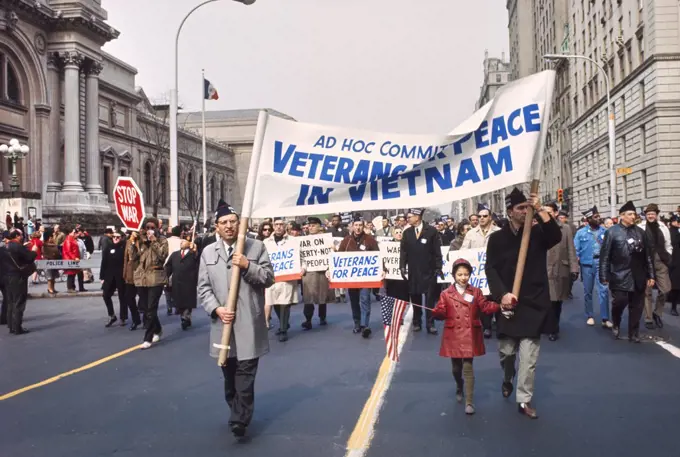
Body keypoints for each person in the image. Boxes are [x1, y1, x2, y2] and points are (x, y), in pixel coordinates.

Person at [197, 201, 274, 438]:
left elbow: (269, 278)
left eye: (233, 221)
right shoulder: (209, 252)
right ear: (216, 227)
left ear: (239, 224)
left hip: (249, 322)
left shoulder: (256, 247)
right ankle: (236, 408)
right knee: (229, 377)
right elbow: (203, 288)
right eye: (224, 223)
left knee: (245, 372)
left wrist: (248, 265)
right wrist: (216, 309)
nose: (229, 226)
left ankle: (239, 419)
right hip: (223, 325)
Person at [485, 188, 562, 419]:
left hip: (533, 303)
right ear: (510, 211)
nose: (524, 211)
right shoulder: (497, 239)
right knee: (507, 353)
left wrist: (539, 208)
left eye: (527, 208)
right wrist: (502, 295)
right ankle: (508, 377)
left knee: (529, 359)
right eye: (520, 208)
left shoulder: (538, 233)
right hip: (509, 303)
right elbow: (491, 269)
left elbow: (556, 236)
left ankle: (524, 399)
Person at [432, 258, 503, 415]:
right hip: (454, 334)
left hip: (470, 333)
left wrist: (500, 306)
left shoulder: (476, 291)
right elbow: (441, 311)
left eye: (466, 274)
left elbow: (485, 307)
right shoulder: (446, 294)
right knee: (456, 368)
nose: (463, 277)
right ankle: (459, 385)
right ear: (454, 275)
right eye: (460, 274)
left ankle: (469, 401)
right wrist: (437, 312)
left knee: (468, 368)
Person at [599, 201, 655, 342]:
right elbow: (605, 256)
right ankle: (616, 322)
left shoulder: (640, 232)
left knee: (637, 305)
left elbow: (647, 255)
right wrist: (603, 275)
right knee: (620, 301)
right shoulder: (612, 232)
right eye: (629, 214)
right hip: (619, 274)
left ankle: (633, 332)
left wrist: (651, 275)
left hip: (638, 275)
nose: (632, 216)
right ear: (622, 216)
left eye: (634, 214)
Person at [399, 208, 443, 334]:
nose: (408, 219)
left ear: (418, 217)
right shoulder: (407, 233)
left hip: (429, 271)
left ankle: (430, 323)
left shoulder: (431, 231)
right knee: (415, 297)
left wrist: (438, 267)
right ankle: (417, 322)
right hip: (413, 271)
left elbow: (437, 251)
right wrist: (402, 266)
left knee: (429, 299)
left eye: (410, 216)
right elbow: (403, 252)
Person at [460, 203, 500, 338]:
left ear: (490, 217)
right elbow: (463, 251)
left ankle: (499, 324)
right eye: (479, 216)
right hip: (479, 273)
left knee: (496, 297)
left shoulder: (498, 232)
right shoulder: (471, 233)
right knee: (482, 298)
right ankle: (487, 326)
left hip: (495, 271)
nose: (481, 218)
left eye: (485, 216)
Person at [338, 216, 380, 337]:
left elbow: (377, 255)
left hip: (366, 278)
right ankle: (357, 323)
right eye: (356, 225)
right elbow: (338, 258)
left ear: (363, 226)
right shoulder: (346, 241)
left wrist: (382, 269)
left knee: (365, 299)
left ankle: (365, 325)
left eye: (360, 225)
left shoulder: (370, 240)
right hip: (351, 279)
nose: (358, 227)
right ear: (352, 226)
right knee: (354, 301)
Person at [543, 202, 579, 341]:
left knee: (557, 301)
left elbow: (571, 249)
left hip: (559, 269)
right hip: (543, 269)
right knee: (546, 300)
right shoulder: (538, 227)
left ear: (556, 213)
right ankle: (548, 325)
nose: (546, 215)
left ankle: (554, 327)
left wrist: (574, 268)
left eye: (549, 212)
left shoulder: (565, 229)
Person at [574, 206, 612, 328]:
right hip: (587, 265)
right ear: (589, 219)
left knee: (604, 290)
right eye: (595, 217)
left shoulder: (604, 231)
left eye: (598, 216)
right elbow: (576, 250)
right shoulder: (581, 233)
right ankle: (590, 315)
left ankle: (605, 318)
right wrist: (576, 263)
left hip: (601, 264)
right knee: (588, 291)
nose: (598, 218)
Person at [134, 217, 169, 349]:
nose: (150, 230)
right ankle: (158, 328)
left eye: (152, 228)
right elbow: (133, 257)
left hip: (156, 278)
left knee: (151, 308)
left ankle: (147, 338)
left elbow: (163, 255)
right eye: (147, 228)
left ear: (156, 228)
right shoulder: (141, 241)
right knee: (144, 307)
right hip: (142, 278)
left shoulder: (162, 240)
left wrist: (154, 242)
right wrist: (132, 242)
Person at [264, 218, 299, 342]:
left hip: (287, 277)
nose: (279, 227)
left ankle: (283, 329)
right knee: (275, 302)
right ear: (273, 226)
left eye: (281, 225)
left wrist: (303, 268)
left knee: (285, 303)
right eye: (276, 225)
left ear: (285, 226)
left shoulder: (294, 241)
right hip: (272, 278)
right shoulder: (266, 242)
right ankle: (284, 323)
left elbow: (302, 257)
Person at [638, 203, 672, 329]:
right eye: (648, 214)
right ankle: (648, 318)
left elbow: (668, 244)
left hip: (661, 262)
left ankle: (657, 312)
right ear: (645, 215)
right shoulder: (640, 227)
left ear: (656, 215)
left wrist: (668, 255)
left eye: (653, 214)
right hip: (646, 263)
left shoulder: (663, 227)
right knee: (647, 292)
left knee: (666, 289)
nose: (650, 216)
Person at [1, 230, 37, 334]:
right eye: (21, 235)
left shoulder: (5, 247)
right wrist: (34, 251)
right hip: (18, 276)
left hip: (7, 276)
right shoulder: (18, 247)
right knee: (19, 302)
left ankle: (11, 326)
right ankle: (17, 327)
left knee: (10, 301)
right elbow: (29, 258)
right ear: (17, 236)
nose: (22, 236)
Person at [301, 217, 331, 329]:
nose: (311, 227)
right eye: (309, 225)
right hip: (309, 271)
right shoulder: (303, 240)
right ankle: (308, 319)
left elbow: (330, 254)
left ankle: (322, 317)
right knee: (308, 296)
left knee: (322, 294)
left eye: (313, 225)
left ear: (319, 226)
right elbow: (301, 257)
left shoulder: (326, 239)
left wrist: (329, 268)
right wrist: (303, 268)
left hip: (322, 270)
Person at [165, 238, 199, 330]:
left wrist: (195, 251)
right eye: (181, 242)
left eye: (183, 241)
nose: (181, 243)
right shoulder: (175, 254)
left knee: (187, 302)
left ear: (189, 244)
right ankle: (184, 317)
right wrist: (166, 278)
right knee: (179, 302)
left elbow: (198, 263)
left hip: (189, 281)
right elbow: (168, 267)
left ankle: (186, 318)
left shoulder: (193, 254)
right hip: (177, 281)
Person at [100, 230, 127, 327]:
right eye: (114, 237)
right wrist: (102, 276)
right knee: (106, 295)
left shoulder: (124, 248)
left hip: (121, 276)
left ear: (121, 238)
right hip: (109, 276)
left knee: (122, 297)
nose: (115, 238)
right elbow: (104, 262)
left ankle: (123, 317)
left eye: (117, 237)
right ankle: (111, 315)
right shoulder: (108, 247)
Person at [122, 231, 142, 331]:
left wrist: (134, 243)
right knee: (129, 298)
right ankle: (136, 319)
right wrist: (125, 274)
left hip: (140, 273)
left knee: (144, 299)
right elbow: (126, 259)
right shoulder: (128, 242)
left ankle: (148, 320)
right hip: (130, 274)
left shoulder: (142, 242)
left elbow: (134, 256)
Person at [668, 215, 680, 316]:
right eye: (677, 221)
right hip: (674, 261)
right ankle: (673, 307)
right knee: (675, 285)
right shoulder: (671, 232)